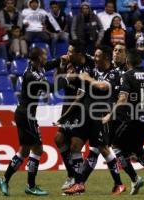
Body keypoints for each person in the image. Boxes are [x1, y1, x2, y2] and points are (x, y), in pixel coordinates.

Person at [59, 46, 126, 195]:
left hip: (100, 116)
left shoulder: (114, 74)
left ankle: (119, 183)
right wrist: (70, 76)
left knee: (102, 149)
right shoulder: (92, 71)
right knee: (75, 146)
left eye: (98, 56)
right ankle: (78, 183)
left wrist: (87, 79)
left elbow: (102, 86)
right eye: (94, 56)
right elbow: (80, 90)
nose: (95, 59)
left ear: (106, 58)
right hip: (85, 115)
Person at [103, 49, 144, 194]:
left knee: (117, 146)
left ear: (128, 62)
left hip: (134, 119)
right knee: (137, 148)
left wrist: (110, 115)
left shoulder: (127, 75)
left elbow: (123, 98)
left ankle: (135, 178)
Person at [0, 48, 58, 196]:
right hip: (26, 115)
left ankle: (4, 179)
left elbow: (48, 65)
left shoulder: (35, 68)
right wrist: (68, 79)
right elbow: (50, 88)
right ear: (37, 58)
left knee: (24, 150)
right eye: (44, 56)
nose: (46, 58)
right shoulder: (32, 75)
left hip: (25, 114)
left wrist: (61, 60)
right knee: (37, 149)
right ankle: (30, 185)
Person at [53, 41, 95, 191]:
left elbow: (83, 94)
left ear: (79, 54)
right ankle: (72, 175)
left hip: (82, 108)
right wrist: (60, 66)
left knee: (75, 145)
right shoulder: (68, 63)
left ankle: (77, 182)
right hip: (68, 104)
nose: (67, 54)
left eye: (70, 52)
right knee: (58, 139)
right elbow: (57, 84)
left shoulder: (91, 63)